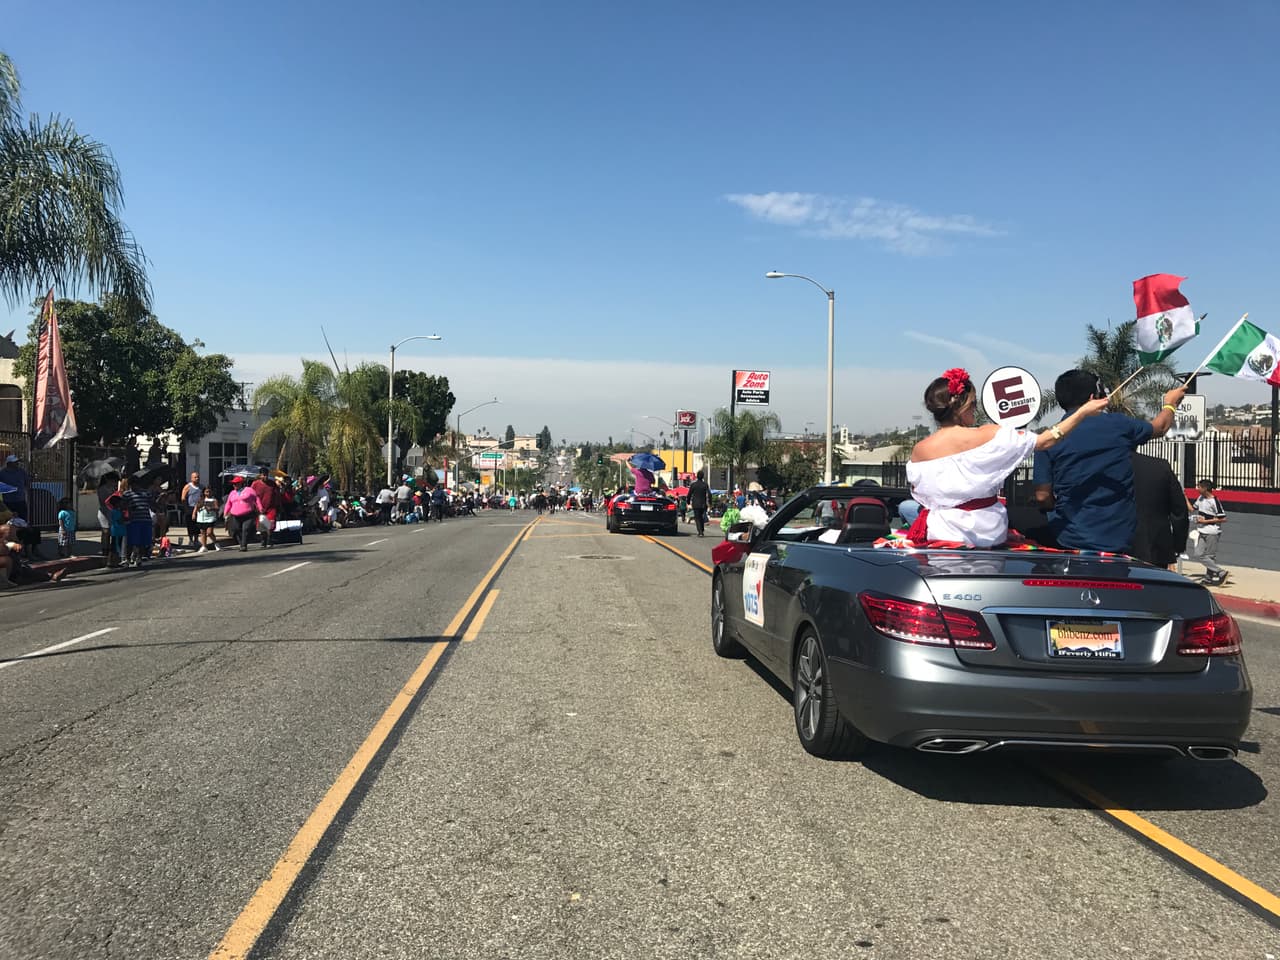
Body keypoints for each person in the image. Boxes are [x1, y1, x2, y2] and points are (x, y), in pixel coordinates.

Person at [907, 367, 1110, 547]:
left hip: (940, 533)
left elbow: (920, 492)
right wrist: (1082, 412)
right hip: (985, 533)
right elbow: (1045, 441)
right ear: (963, 407)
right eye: (973, 404)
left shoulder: (919, 450)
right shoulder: (988, 435)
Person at [1034, 369, 1186, 553]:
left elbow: (1042, 496)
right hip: (1118, 537)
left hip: (1068, 536)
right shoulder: (1118, 425)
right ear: (1093, 397)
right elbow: (1160, 427)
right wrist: (1170, 404)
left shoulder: (1048, 438)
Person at [1129, 453, 1189, 569]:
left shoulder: (1098, 464)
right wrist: (1177, 546)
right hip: (1153, 547)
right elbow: (1179, 510)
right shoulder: (1159, 466)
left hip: (1106, 548)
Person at [1188, 479, 1228, 585]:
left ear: (1205, 488)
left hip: (1212, 532)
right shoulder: (1201, 498)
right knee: (1198, 554)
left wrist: (1206, 521)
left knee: (1210, 556)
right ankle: (1220, 572)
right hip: (1202, 530)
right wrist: (1183, 496)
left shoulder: (1214, 501)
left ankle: (1209, 578)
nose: (1197, 488)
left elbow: (1223, 518)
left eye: (1199, 487)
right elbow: (1192, 509)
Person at [120, 476, 154, 567]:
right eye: (132, 485)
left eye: (135, 485)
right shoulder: (127, 494)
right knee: (131, 541)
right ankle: (127, 559)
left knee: (143, 541)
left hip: (145, 519)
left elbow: (152, 504)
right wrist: (128, 510)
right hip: (133, 520)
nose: (134, 487)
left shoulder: (146, 493)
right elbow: (122, 506)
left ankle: (139, 558)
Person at [222, 476, 263, 552]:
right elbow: (228, 504)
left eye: (236, 483)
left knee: (245, 529)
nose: (234, 485)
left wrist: (260, 508)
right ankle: (241, 543)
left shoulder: (249, 490)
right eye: (233, 484)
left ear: (241, 483)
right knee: (235, 529)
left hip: (248, 514)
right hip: (235, 515)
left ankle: (243, 545)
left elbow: (256, 499)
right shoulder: (232, 493)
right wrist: (225, 513)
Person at [251, 467, 279, 548]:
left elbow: (277, 495)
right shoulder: (255, 484)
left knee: (270, 525)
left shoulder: (272, 484)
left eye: (266, 475)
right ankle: (263, 540)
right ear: (260, 475)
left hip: (271, 508)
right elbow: (252, 496)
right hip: (259, 509)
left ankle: (270, 540)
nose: (265, 477)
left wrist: (278, 506)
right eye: (263, 475)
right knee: (262, 526)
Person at [0, 453, 29, 520]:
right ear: (9, 463)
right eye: (15, 462)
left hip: (20, 500)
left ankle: (22, 530)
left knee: (22, 519)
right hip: (7, 502)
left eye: (17, 462)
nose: (17, 463)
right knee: (9, 520)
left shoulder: (22, 471)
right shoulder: (2, 473)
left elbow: (26, 483)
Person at [194, 486, 221, 552]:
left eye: (209, 492)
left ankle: (216, 543)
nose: (208, 493)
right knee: (202, 532)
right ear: (204, 492)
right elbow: (196, 507)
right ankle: (204, 546)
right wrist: (194, 513)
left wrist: (211, 508)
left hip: (210, 518)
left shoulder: (214, 500)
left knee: (209, 532)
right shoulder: (201, 500)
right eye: (206, 492)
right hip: (201, 518)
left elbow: (217, 508)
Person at [180, 471, 202, 548]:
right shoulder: (188, 486)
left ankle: (196, 539)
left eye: (198, 477)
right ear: (191, 478)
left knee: (197, 525)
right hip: (190, 507)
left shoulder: (201, 487)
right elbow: (183, 498)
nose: (197, 478)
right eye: (195, 477)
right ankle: (191, 540)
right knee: (190, 524)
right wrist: (185, 507)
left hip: (199, 508)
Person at [688, 471, 711, 538]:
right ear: (703, 476)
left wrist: (688, 501)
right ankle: (701, 530)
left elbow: (689, 494)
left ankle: (700, 532)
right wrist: (710, 502)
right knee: (701, 517)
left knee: (697, 518)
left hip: (695, 504)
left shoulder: (693, 485)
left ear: (697, 476)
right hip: (703, 504)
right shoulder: (705, 485)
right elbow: (709, 494)